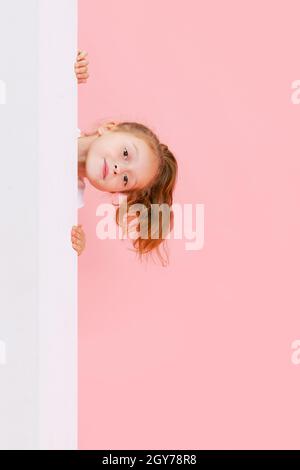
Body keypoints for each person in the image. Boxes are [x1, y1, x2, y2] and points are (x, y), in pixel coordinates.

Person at [72, 51, 178, 266]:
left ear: (115, 192)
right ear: (109, 128)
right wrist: (67, 72)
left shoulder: (70, 198)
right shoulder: (56, 116)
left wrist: (69, 245)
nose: (118, 169)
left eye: (126, 180)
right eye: (126, 154)